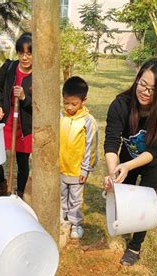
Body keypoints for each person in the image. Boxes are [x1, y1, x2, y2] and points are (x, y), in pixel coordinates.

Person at [103, 58, 157, 266]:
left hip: (154, 162)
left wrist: (128, 166)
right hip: (128, 155)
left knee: (145, 202)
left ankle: (135, 246)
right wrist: (114, 173)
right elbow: (111, 142)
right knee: (126, 198)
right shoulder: (121, 105)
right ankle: (126, 226)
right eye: (142, 84)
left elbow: (156, 149)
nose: (145, 92)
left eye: (153, 89)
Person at [0, 32, 33, 197]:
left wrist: (24, 98)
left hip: (25, 127)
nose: (25, 57)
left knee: (22, 163)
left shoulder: (39, 76)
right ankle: (1, 184)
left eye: (29, 53)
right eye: (21, 53)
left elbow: (39, 105)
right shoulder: (9, 68)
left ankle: (20, 193)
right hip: (6, 122)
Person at [59, 76, 98, 239]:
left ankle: (75, 224)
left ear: (84, 100)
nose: (69, 107)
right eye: (65, 102)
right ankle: (62, 221)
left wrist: (85, 168)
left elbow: (91, 146)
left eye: (73, 104)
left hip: (77, 170)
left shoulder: (88, 122)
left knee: (75, 198)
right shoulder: (61, 117)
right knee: (61, 196)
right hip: (61, 167)